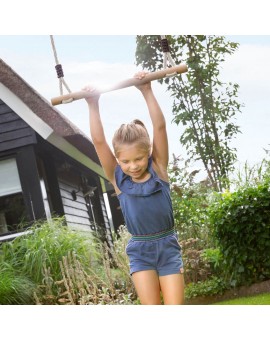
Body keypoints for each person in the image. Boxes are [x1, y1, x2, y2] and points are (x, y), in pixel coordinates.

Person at [84, 71, 184, 305]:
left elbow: (159, 127)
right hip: (140, 251)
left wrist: (146, 90)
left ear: (148, 153)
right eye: (125, 161)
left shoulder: (159, 168)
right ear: (118, 160)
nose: (133, 166)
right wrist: (93, 103)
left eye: (138, 159)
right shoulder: (118, 179)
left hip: (167, 246)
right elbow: (99, 142)